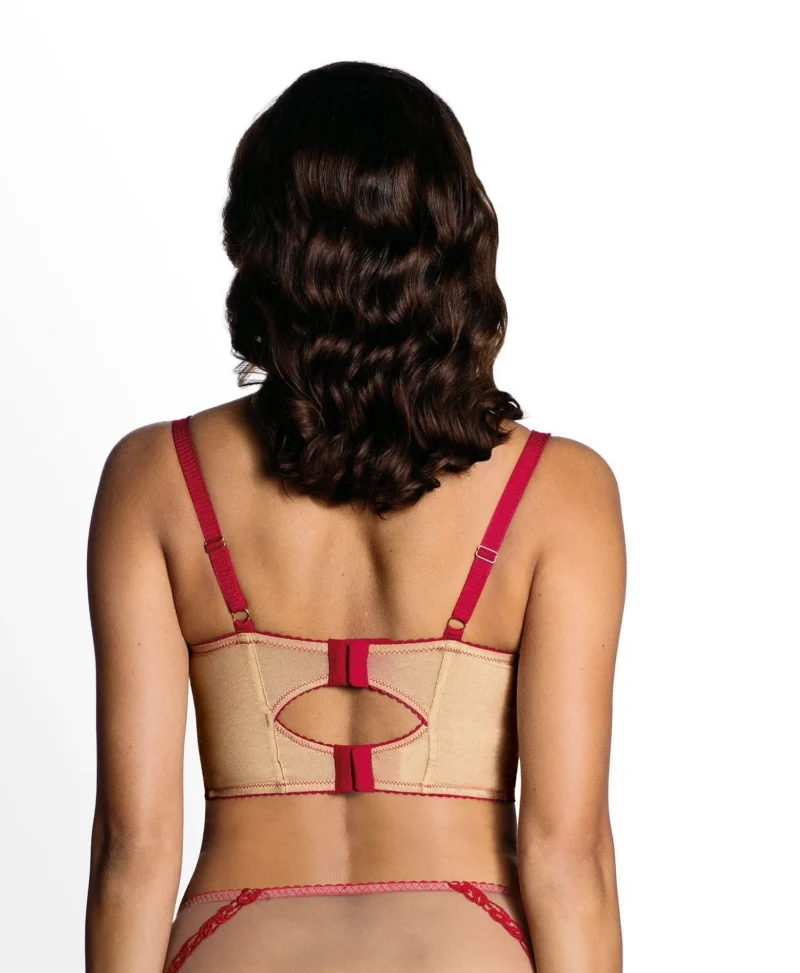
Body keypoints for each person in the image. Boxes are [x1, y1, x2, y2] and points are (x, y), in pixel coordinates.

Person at [85, 61, 625, 973]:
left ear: (263, 250)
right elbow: (568, 862)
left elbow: (133, 856)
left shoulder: (155, 479)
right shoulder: (561, 493)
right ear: (456, 246)